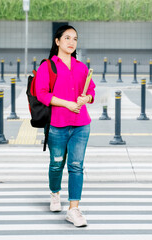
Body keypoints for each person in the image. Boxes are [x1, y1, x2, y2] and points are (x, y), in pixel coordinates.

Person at [35, 25, 95, 227]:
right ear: (57, 41)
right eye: (67, 38)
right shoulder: (47, 67)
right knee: (56, 163)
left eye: (75, 39)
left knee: (76, 166)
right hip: (57, 125)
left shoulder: (81, 67)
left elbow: (92, 90)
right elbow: (41, 94)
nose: (71, 42)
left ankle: (73, 209)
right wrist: (67, 103)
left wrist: (86, 97)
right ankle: (54, 193)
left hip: (81, 125)